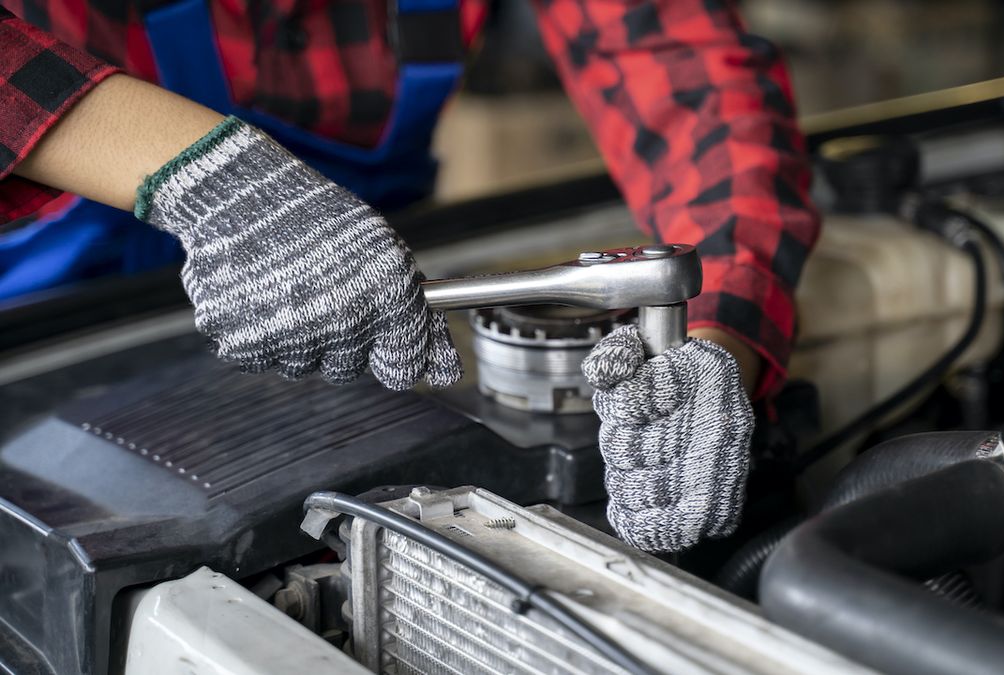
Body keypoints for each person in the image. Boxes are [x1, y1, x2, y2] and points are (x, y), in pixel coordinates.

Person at [0, 0, 819, 552]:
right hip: (33, 348)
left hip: (366, 346)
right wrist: (205, 179)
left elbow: (688, 66)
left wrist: (717, 338)